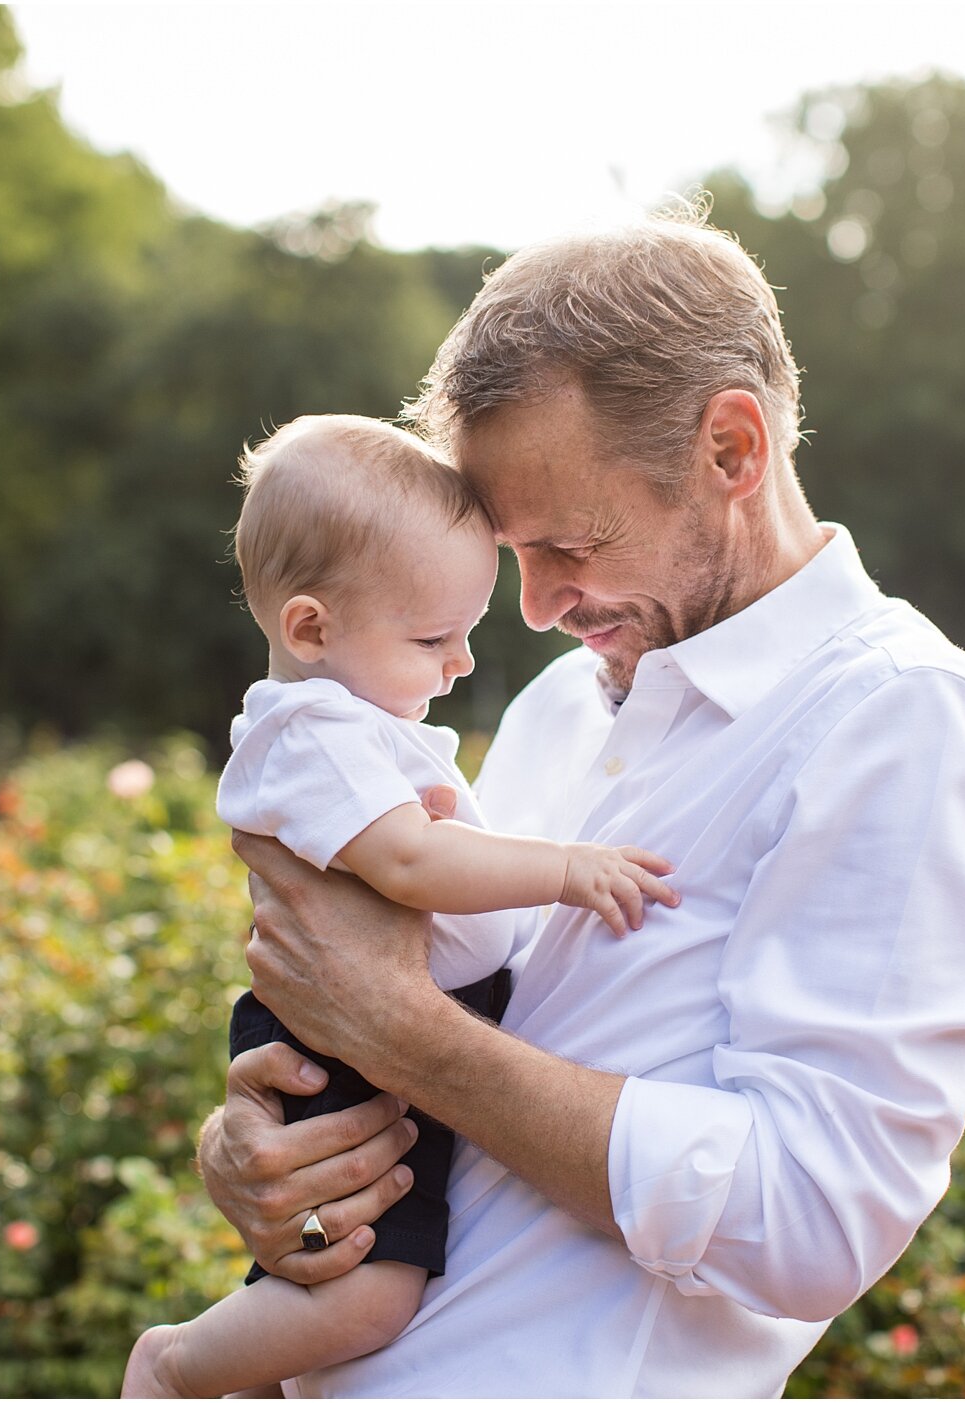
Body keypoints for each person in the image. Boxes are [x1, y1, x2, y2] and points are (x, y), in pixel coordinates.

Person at [138, 206, 965, 1397]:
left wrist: (403, 1033)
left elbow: (813, 1217)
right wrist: (263, 1148)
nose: (535, 604)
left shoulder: (903, 721)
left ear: (732, 449)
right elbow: (419, 1016)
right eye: (516, 550)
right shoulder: (560, 709)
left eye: (570, 540)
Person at [125, 415, 678, 1398]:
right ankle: (178, 1365)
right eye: (433, 638)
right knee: (364, 1293)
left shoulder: (356, 718)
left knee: (348, 1273)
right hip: (341, 1043)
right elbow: (415, 862)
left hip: (394, 1026)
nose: (461, 662)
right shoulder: (313, 734)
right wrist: (563, 867)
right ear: (309, 627)